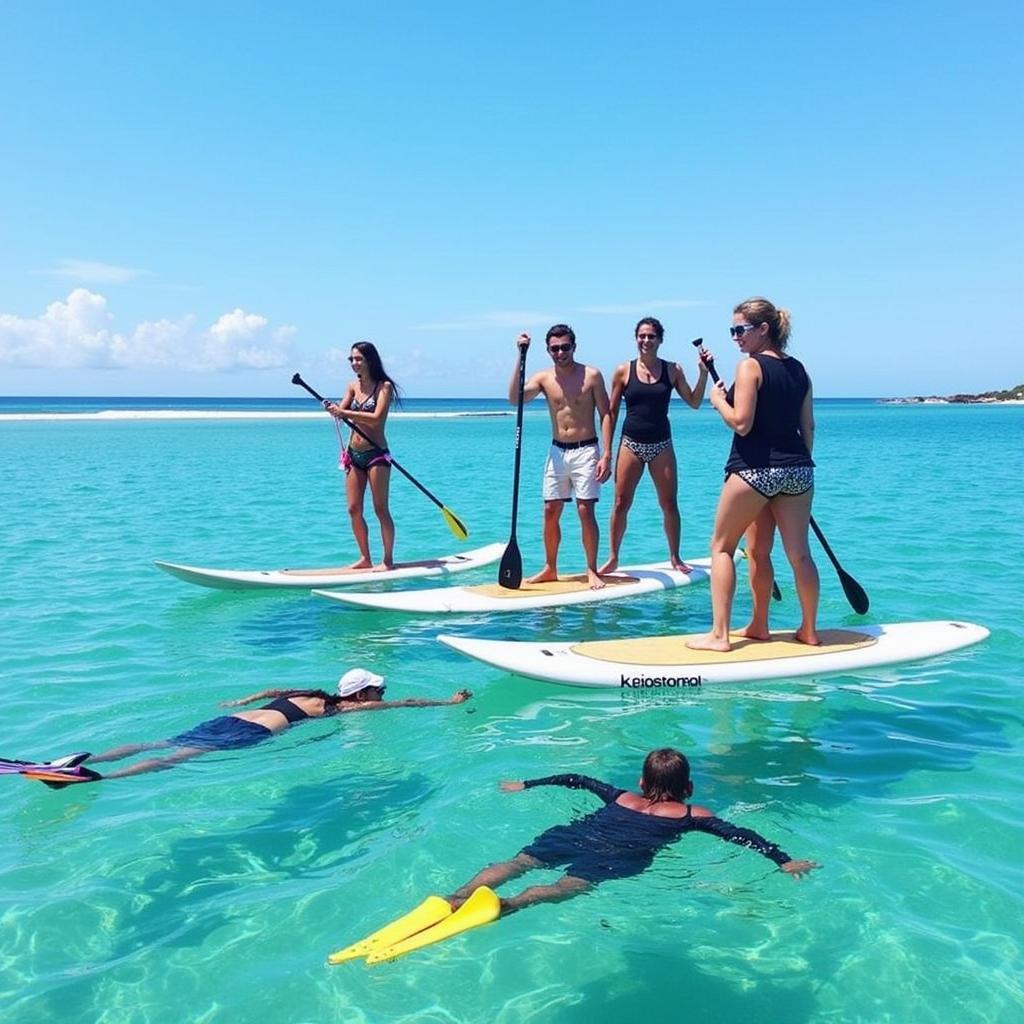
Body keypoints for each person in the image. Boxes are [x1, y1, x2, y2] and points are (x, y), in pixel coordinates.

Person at [445, 748, 818, 915]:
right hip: (617, 855)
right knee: (566, 886)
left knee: (519, 862)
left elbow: (575, 779)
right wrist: (782, 860)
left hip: (577, 834)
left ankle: (458, 895)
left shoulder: (622, 796)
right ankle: (513, 904)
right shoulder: (692, 812)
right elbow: (740, 834)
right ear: (687, 788)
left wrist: (527, 784)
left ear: (641, 780)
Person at [46, 670, 471, 782]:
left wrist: (240, 700)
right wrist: (446, 703)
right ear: (360, 696)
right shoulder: (340, 710)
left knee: (160, 741)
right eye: (377, 690)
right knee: (177, 758)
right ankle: (100, 777)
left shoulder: (309, 692)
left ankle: (81, 757)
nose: (381, 696)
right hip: (251, 733)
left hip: (233, 718)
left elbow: (269, 686)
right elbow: (406, 704)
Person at [688, 297, 819, 653]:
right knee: (793, 554)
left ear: (764, 329)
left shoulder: (750, 367)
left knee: (722, 548)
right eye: (732, 331)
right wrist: (798, 468)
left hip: (754, 471)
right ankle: (797, 629)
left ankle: (719, 636)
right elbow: (807, 426)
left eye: (740, 330)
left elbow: (741, 424)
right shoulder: (800, 370)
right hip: (798, 470)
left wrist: (717, 402)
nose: (735, 337)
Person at [599, 317, 709, 574]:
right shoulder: (623, 371)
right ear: (636, 338)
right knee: (620, 504)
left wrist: (703, 374)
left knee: (669, 504)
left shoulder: (673, 370)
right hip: (630, 444)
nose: (646, 340)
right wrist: (607, 451)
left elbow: (693, 402)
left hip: (662, 445)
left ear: (660, 340)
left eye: (651, 336)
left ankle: (675, 556)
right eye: (642, 336)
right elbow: (610, 413)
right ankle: (614, 557)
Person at [510, 326, 613, 590]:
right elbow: (514, 398)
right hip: (557, 450)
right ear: (548, 351)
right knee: (550, 511)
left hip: (586, 450)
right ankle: (550, 567)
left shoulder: (591, 375)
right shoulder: (544, 378)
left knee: (584, 510)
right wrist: (520, 357)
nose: (560, 353)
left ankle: (591, 569)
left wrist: (607, 453)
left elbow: (606, 413)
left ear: (574, 347)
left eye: (565, 347)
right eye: (555, 348)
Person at [323, 342, 401, 570]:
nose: (354, 363)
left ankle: (387, 560)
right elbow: (341, 413)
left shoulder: (384, 387)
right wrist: (333, 409)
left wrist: (343, 412)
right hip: (353, 455)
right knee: (353, 509)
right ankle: (365, 558)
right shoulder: (351, 386)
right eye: (351, 359)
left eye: (359, 359)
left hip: (377, 455)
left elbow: (376, 418)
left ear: (370, 360)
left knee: (380, 509)